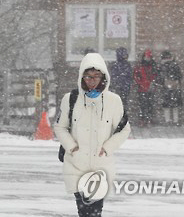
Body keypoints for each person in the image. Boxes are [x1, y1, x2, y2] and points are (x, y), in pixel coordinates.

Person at [54, 53, 131, 217]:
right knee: (83, 211)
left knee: (95, 212)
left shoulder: (114, 101)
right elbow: (60, 127)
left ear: (104, 77)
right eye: (88, 76)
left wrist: (108, 147)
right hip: (76, 165)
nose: (92, 80)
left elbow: (124, 129)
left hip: (100, 166)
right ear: (82, 77)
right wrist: (72, 147)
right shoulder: (70, 99)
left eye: (97, 76)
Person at [157, 51, 183, 125]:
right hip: (175, 87)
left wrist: (164, 82)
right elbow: (180, 76)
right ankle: (176, 121)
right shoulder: (175, 65)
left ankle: (167, 121)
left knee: (166, 106)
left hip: (165, 88)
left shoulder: (161, 66)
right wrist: (175, 81)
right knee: (175, 106)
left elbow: (159, 77)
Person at [133, 49, 158, 126]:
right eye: (146, 57)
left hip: (150, 88)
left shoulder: (153, 66)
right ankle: (143, 119)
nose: (147, 58)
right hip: (142, 88)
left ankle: (148, 119)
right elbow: (136, 76)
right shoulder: (140, 66)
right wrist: (140, 83)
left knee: (150, 105)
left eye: (148, 57)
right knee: (142, 105)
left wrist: (153, 83)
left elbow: (156, 76)